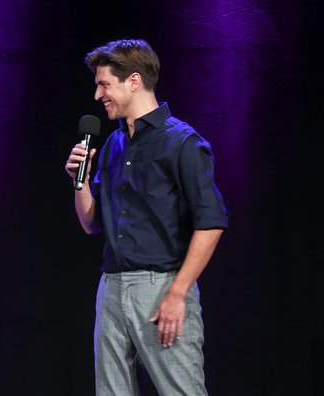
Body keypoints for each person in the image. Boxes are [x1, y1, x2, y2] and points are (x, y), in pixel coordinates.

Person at [64, 39, 229, 395]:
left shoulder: (182, 142)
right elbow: (92, 223)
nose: (98, 95)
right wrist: (79, 182)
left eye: (104, 84)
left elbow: (211, 222)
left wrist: (177, 293)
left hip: (161, 288)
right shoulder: (112, 144)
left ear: (134, 81)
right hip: (111, 286)